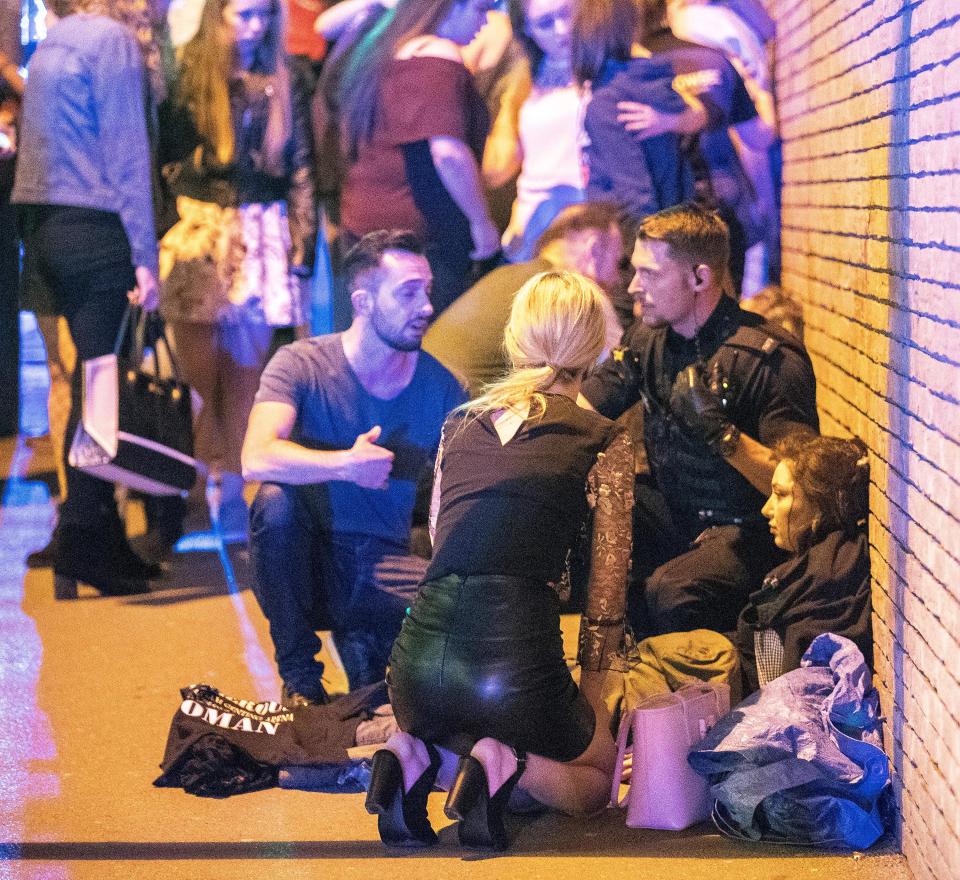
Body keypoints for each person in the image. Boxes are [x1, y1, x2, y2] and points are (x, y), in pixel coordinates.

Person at [365, 270, 633, 850]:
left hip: (413, 670)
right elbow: (607, 592)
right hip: (511, 671)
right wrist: (592, 693)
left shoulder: (459, 423)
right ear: (594, 347)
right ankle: (508, 762)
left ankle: (410, 755)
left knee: (458, 734)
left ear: (515, 339)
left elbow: (443, 538)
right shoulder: (604, 437)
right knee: (597, 782)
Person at [241, 230, 466, 704]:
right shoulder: (301, 364)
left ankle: (366, 647)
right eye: (407, 292)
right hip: (306, 565)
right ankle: (300, 678)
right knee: (273, 502)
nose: (425, 306)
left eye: (427, 290)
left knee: (462, 611)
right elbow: (255, 455)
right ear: (363, 301)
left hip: (377, 565)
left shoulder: (444, 387)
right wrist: (346, 465)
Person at [579, 202, 819, 637]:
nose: (633, 287)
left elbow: (802, 491)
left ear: (700, 277)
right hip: (678, 513)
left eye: (650, 274)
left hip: (752, 530)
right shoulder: (647, 339)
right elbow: (584, 410)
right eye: (633, 271)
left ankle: (707, 693)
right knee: (589, 528)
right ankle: (630, 679)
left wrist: (724, 436)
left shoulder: (768, 359)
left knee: (672, 591)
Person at [12, 0, 161, 596]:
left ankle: (87, 529)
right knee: (103, 386)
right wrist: (145, 253)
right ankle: (86, 539)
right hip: (96, 225)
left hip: (43, 223)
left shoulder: (56, 38)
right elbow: (128, 151)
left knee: (84, 382)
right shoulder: (111, 41)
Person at [158, 0, 316, 533]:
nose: (253, 26)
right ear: (216, 14)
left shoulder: (283, 75)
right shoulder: (186, 71)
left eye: (262, 16)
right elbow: (163, 160)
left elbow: (300, 166)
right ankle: (199, 487)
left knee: (247, 377)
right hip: (199, 227)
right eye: (241, 14)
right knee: (197, 375)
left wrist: (303, 245)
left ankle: (235, 496)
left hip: (261, 230)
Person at [337, 0, 501, 313]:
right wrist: (482, 224)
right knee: (430, 348)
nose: (487, 20)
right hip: (420, 239)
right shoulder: (436, 54)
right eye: (480, 8)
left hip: (367, 229)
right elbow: (448, 153)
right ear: (448, 7)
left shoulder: (384, 51)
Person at [617, 0, 772, 293]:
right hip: (724, 209)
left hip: (661, 218)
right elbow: (760, 137)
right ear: (669, 8)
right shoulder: (714, 59)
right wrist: (758, 88)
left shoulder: (623, 76)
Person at [423, 200, 627, 395]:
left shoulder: (507, 274)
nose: (618, 279)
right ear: (594, 250)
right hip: (462, 417)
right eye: (619, 263)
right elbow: (617, 372)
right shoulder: (572, 293)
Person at [737, 434, 873, 695]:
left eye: (781, 494)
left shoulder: (825, 579)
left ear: (820, 505)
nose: (767, 508)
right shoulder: (812, 568)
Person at [572, 0, 693, 224]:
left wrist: (642, 253)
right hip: (678, 224)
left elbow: (636, 200)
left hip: (635, 241)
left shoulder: (608, 102)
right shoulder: (656, 83)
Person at [481, 0, 585, 262]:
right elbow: (497, 169)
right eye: (545, 23)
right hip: (534, 223)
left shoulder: (609, 57)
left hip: (589, 220)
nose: (561, 29)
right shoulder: (525, 74)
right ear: (526, 29)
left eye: (566, 14)